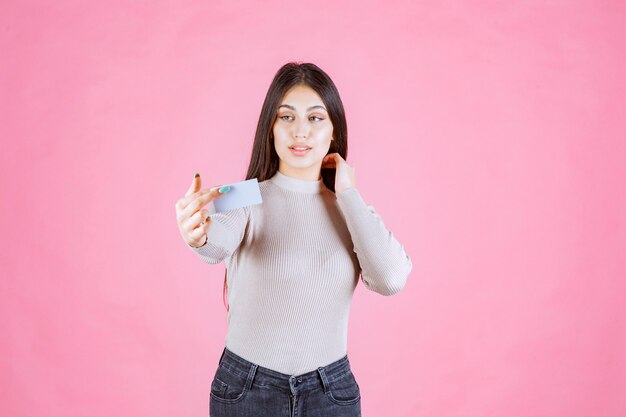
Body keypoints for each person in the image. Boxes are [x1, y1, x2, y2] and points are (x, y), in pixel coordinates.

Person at [175, 62, 413, 417]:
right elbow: (216, 241)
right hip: (247, 390)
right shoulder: (242, 195)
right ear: (270, 127)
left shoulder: (351, 210)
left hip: (330, 392)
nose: (300, 131)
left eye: (315, 118)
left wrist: (347, 193)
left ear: (334, 131)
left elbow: (390, 278)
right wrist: (196, 233)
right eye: (286, 117)